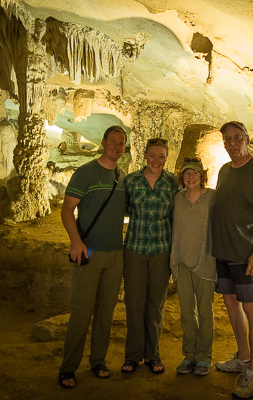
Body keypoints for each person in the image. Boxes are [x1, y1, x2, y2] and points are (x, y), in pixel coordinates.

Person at [57, 125, 128, 389]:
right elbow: (66, 211)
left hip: (116, 254)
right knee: (81, 312)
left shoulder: (122, 178)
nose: (117, 147)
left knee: (105, 313)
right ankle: (68, 368)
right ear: (103, 142)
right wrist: (75, 242)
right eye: (113, 142)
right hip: (89, 253)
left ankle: (98, 360)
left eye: (121, 144)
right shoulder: (85, 172)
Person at [212, 121, 253, 399]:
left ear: (247, 140)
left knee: (251, 307)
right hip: (223, 251)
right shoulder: (224, 171)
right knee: (229, 301)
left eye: (237, 137)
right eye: (227, 139)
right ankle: (243, 357)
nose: (232, 143)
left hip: (245, 252)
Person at [121, 137, 178, 375]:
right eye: (153, 155)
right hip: (134, 249)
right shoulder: (131, 181)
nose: (157, 161)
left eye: (162, 156)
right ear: (145, 155)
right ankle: (133, 356)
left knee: (156, 304)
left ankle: (153, 355)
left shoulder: (172, 183)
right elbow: (121, 210)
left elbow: (177, 217)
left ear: (166, 158)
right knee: (134, 303)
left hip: (161, 251)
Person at [170, 157, 216, 376]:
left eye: (195, 173)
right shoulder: (177, 199)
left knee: (205, 311)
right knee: (187, 312)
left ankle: (204, 357)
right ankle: (189, 355)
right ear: (182, 177)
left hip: (205, 261)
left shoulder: (212, 197)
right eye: (187, 173)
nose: (190, 177)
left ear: (202, 176)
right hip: (180, 261)